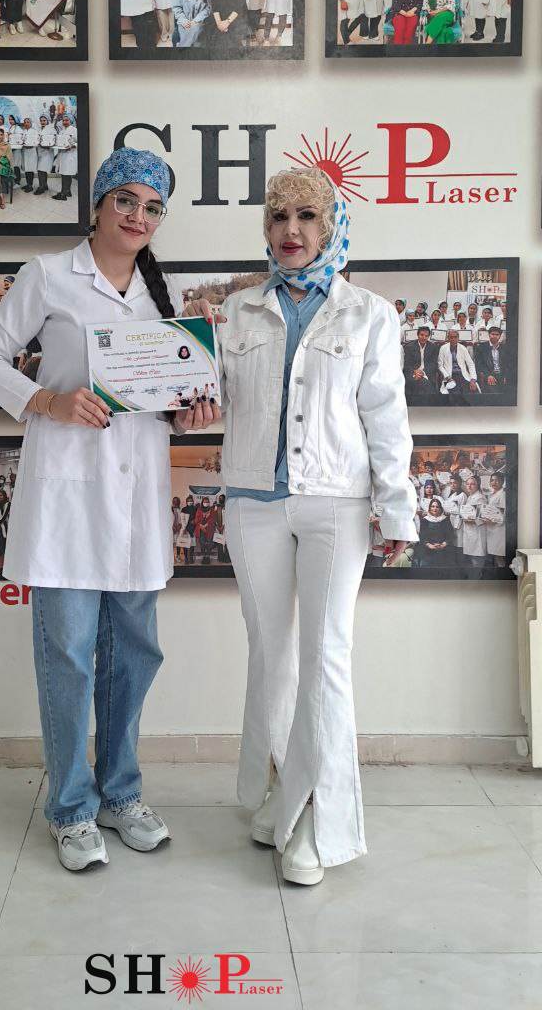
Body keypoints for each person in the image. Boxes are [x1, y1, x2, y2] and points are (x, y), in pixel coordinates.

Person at [0, 147, 219, 874]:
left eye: (152, 207)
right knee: (70, 656)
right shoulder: (48, 275)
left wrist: (189, 414)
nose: (138, 216)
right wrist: (48, 400)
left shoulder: (165, 296)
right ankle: (71, 808)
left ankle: (121, 794)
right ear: (100, 204)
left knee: (134, 654)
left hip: (136, 500)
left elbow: (165, 395)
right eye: (126, 200)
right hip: (67, 498)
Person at [187, 165, 416, 885]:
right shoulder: (236, 312)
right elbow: (205, 397)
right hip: (252, 502)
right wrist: (188, 400)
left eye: (307, 216)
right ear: (265, 227)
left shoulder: (368, 314)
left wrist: (396, 506)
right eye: (279, 216)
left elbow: (386, 418)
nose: (292, 230)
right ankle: (284, 794)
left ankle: (322, 821)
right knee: (272, 657)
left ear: (331, 225)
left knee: (326, 659)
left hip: (336, 506)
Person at [437, 330, 479, 395]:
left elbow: (470, 364)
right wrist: (447, 377)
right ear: (448, 338)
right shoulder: (443, 348)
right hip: (449, 376)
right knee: (454, 393)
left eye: (455, 337)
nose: (453, 339)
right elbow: (440, 366)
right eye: (451, 337)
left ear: (458, 338)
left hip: (462, 375)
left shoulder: (463, 348)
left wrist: (473, 379)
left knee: (472, 392)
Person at [417, 497, 455, 568]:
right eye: (433, 506)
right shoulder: (425, 520)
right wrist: (429, 545)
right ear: (429, 508)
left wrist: (443, 545)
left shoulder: (445, 519)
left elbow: (451, 535)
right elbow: (422, 536)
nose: (435, 508)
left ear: (440, 508)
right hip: (428, 550)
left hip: (444, 550)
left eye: (437, 507)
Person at [403, 326, 438, 398]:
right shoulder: (409, 347)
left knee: (425, 384)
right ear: (417, 335)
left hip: (427, 373)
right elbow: (407, 364)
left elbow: (434, 364)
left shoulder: (433, 347)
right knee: (421, 385)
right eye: (422, 335)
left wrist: (423, 373)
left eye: (426, 336)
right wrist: (415, 371)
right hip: (413, 373)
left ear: (428, 337)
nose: (424, 337)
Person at [460, 475, 486, 568]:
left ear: (477, 485)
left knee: (477, 561)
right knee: (472, 560)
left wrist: (471, 521)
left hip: (477, 534)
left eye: (472, 484)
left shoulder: (480, 498)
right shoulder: (470, 497)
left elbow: (482, 518)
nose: (469, 486)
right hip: (470, 533)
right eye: (467, 484)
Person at [482, 473, 506, 567]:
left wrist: (492, 521)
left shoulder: (503, 494)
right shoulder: (492, 494)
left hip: (499, 530)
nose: (494, 482)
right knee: (495, 556)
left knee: (499, 557)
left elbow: (503, 515)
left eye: (497, 480)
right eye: (492, 480)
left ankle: (502, 574)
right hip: (491, 529)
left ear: (502, 482)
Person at [475, 327, 509, 392]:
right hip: (489, 374)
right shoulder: (481, 347)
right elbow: (479, 364)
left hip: (501, 374)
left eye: (497, 335)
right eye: (493, 334)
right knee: (493, 391)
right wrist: (488, 375)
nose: (494, 336)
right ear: (489, 335)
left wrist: (506, 376)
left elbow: (507, 364)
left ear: (500, 336)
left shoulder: (504, 348)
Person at [52, 113, 77, 200]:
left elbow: (79, 142)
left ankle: (63, 194)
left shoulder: (74, 130)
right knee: (65, 174)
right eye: (63, 120)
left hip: (70, 155)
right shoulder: (62, 131)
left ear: (71, 121)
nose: (65, 122)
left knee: (66, 175)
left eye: (67, 120)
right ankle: (68, 191)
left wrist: (72, 146)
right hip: (62, 155)